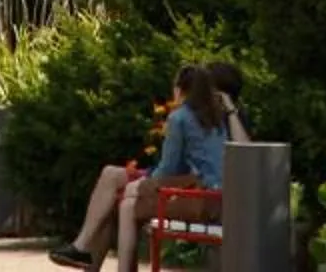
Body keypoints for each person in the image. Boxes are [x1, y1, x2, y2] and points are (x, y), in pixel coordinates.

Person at [50, 64, 230, 272]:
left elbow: (169, 170)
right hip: (214, 196)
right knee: (112, 177)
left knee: (127, 203)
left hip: (198, 197)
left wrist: (142, 184)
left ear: (180, 89)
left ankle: (85, 249)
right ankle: (81, 246)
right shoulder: (216, 120)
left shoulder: (180, 117)